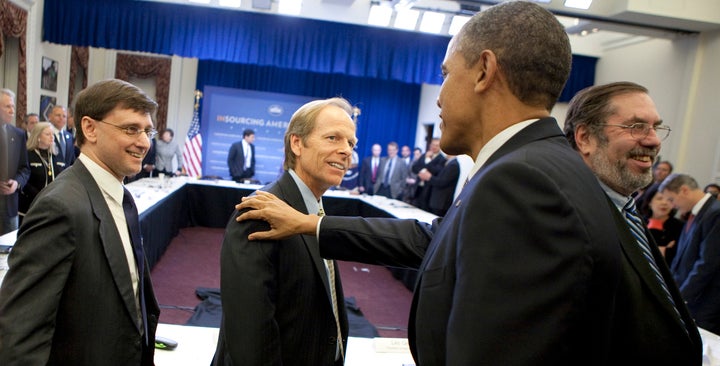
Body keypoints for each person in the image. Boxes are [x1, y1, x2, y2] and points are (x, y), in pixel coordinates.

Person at [233, 2, 639, 364]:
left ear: (484, 71)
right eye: (333, 138)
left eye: (445, 74)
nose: (440, 96)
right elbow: (432, 240)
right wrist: (312, 225)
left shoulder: (521, 179)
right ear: (297, 143)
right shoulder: (535, 166)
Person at [0, 79, 161, 365]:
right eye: (131, 129)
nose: (144, 142)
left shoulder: (121, 198)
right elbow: (20, 332)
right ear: (89, 128)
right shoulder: (59, 207)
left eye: (147, 130)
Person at [565, 81, 701, 363]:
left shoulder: (626, 209)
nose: (653, 140)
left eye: (655, 127)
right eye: (636, 127)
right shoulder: (568, 218)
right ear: (585, 138)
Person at [212, 97, 354, 366]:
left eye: (351, 143)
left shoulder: (315, 211)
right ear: (297, 143)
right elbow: (251, 338)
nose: (346, 151)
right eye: (333, 138)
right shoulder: (260, 212)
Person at [661, 173, 720, 335]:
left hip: (704, 301)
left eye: (672, 199)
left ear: (684, 190)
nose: (672, 206)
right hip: (692, 298)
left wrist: (681, 297)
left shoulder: (715, 213)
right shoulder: (696, 214)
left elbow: (707, 263)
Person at [19, 122, 65, 217]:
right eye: (48, 134)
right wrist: (39, 195)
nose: (52, 137)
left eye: (52, 134)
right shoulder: (27, 154)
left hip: (53, 205)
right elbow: (23, 179)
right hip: (30, 205)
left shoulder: (57, 155)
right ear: (38, 136)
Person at [0, 88, 30, 235]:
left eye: (13, 106)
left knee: (8, 253)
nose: (12, 110)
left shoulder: (18, 134)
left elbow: (25, 169)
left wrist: (17, 183)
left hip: (10, 206)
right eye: (7, 106)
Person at [640, 182, 683, 265]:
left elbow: (679, 255)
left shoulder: (680, 226)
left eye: (669, 200)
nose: (664, 203)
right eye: (659, 198)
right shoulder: (639, 222)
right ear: (649, 202)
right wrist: (663, 250)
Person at [411, 138, 445, 211]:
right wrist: (421, 173)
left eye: (437, 145)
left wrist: (428, 159)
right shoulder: (424, 155)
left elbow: (436, 171)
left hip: (429, 191)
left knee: (424, 211)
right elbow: (414, 167)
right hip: (418, 188)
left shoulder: (442, 159)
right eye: (433, 145)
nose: (434, 147)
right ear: (430, 145)